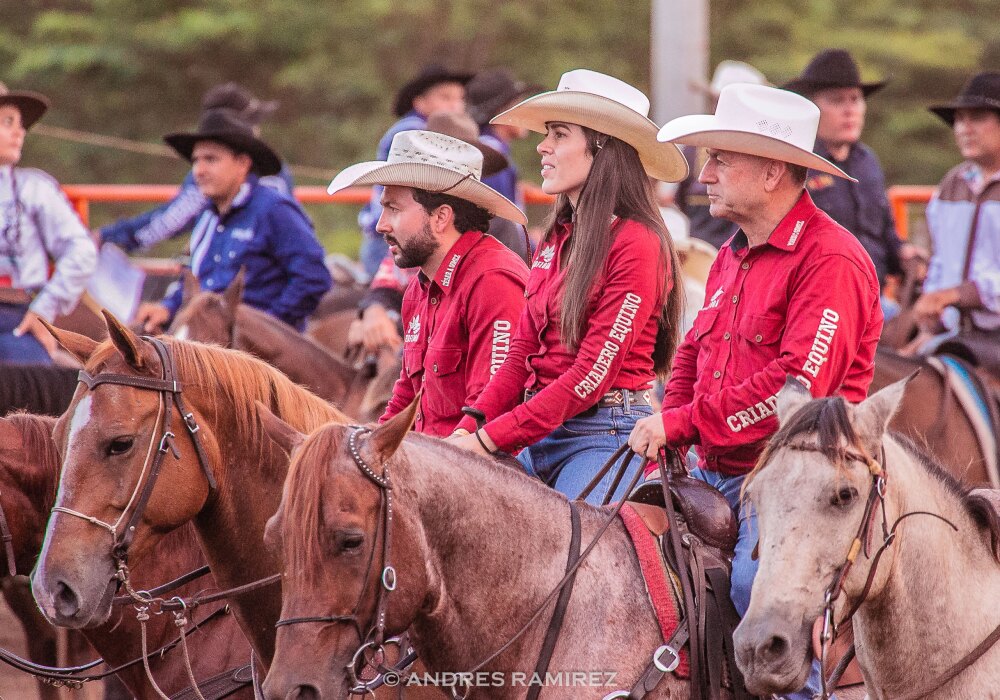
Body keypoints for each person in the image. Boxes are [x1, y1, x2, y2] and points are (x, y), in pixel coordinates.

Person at [628, 83, 882, 700]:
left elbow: (798, 395)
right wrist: (673, 415)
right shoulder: (730, 256)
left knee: (754, 592)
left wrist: (682, 424)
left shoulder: (832, 261)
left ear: (771, 172)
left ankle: (805, 691)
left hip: (800, 484)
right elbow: (691, 352)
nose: (705, 173)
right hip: (719, 470)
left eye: (720, 160)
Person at [448, 69, 688, 504]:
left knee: (576, 564)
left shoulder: (639, 243)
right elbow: (521, 351)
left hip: (603, 434)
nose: (542, 145)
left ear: (602, 147)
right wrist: (471, 424)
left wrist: (487, 440)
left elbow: (590, 376)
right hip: (538, 429)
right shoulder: (557, 238)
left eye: (559, 134)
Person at [329, 130, 529, 436]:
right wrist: (372, 444)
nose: (382, 224)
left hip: (467, 467)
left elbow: (487, 415)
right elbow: (407, 394)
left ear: (441, 218)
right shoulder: (420, 290)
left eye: (393, 209)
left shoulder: (493, 281)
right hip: (435, 461)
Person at [350, 110, 530, 356]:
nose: (383, 224)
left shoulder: (498, 239)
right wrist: (373, 309)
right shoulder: (416, 259)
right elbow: (390, 278)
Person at [134, 109, 330, 333]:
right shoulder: (207, 217)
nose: (199, 170)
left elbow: (313, 278)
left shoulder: (274, 209)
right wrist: (167, 308)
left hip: (253, 349)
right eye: (196, 161)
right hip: (210, 339)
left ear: (242, 163)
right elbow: (195, 280)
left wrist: (266, 327)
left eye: (211, 159)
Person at [784, 49, 916, 319]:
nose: (849, 110)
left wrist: (904, 253)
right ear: (812, 108)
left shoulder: (869, 162)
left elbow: (884, 231)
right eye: (837, 100)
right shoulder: (795, 163)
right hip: (816, 301)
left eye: (855, 99)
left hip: (874, 298)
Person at [98, 82, 299, 252]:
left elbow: (170, 222)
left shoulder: (213, 177)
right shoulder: (278, 168)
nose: (258, 128)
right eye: (253, 121)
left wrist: (109, 237)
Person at [0, 82, 97, 364]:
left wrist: (45, 306)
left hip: (17, 321)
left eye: (20, 125)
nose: (20, 132)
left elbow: (81, 250)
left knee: (28, 372)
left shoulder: (34, 189)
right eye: (8, 122)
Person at [906, 71, 1000, 354]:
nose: (964, 128)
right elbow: (941, 263)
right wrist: (928, 324)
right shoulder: (951, 185)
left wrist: (954, 295)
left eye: (978, 118)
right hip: (954, 333)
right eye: (959, 119)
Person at [357, 64, 471, 277]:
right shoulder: (412, 133)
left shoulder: (410, 129)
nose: (456, 106)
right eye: (446, 98)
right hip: (396, 240)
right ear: (420, 102)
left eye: (460, 99)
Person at [675, 60, 769, 250]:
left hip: (716, 255)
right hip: (707, 258)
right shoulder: (693, 148)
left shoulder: (693, 147)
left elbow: (679, 200)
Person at [466, 68, 540, 207]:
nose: (527, 112)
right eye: (519, 105)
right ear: (503, 111)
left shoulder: (488, 149)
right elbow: (500, 221)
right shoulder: (491, 158)